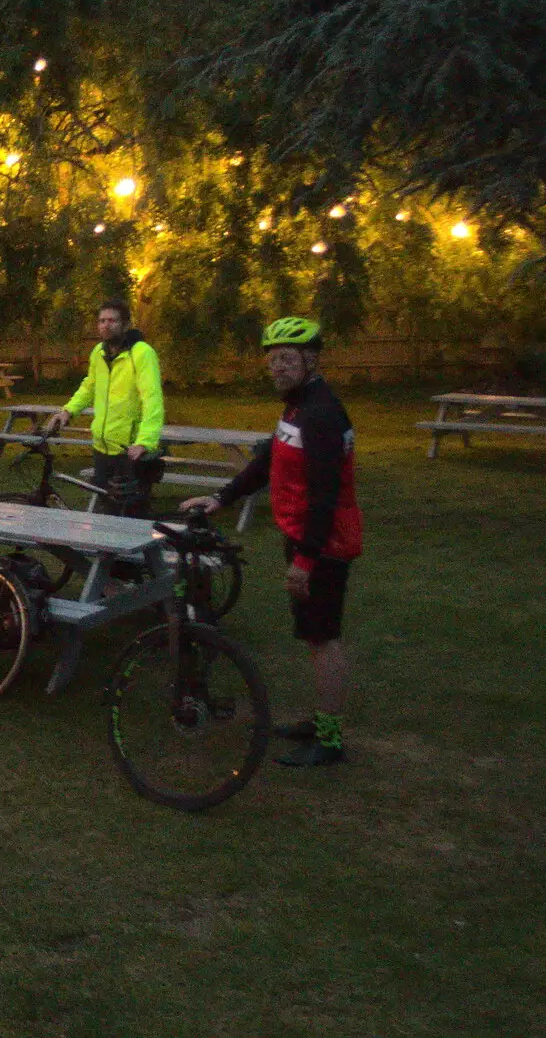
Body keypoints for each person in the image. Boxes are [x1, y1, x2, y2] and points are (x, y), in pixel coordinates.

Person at [182, 316, 362, 768]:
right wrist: (221, 497)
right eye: (271, 360)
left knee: (324, 638)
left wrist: (305, 562)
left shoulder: (320, 415)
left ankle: (330, 739)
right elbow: (267, 463)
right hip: (307, 537)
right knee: (314, 635)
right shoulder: (298, 405)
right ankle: (320, 719)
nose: (276, 368)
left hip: (323, 543)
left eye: (286, 359)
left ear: (311, 360)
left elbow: (323, 499)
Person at [45, 298, 165, 515]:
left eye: (112, 320)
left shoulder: (142, 353)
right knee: (106, 509)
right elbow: (89, 386)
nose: (106, 325)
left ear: (126, 325)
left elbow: (153, 400)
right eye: (101, 321)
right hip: (102, 446)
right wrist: (68, 411)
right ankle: (106, 550)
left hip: (130, 449)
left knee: (132, 514)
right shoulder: (98, 353)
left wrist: (145, 442)